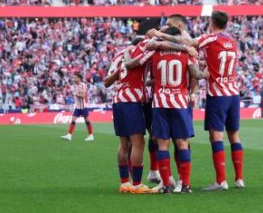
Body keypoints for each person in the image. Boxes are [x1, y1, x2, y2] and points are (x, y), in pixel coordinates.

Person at [148, 10, 246, 191]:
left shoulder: (211, 38)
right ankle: (239, 179)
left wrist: (160, 34)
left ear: (212, 23)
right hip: (233, 92)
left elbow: (190, 43)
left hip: (218, 94)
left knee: (215, 136)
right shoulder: (232, 42)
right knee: (234, 136)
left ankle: (220, 181)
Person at [126, 27, 205, 194]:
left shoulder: (154, 52)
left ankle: (167, 184)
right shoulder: (188, 53)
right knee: (182, 142)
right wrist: (206, 73)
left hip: (160, 102)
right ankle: (184, 184)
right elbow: (196, 74)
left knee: (162, 144)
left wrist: (128, 53)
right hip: (180, 102)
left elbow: (133, 65)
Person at [104, 38, 155, 194]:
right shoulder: (142, 54)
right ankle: (137, 184)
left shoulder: (118, 55)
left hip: (118, 100)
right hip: (132, 101)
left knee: (124, 144)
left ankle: (125, 183)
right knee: (138, 142)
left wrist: (121, 76)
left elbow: (106, 82)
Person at [60, 73, 94, 142]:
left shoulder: (83, 85)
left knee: (87, 121)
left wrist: (75, 94)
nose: (74, 79)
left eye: (75, 78)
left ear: (79, 78)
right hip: (77, 107)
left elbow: (83, 96)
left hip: (83, 107)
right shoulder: (76, 86)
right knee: (73, 120)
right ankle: (69, 135)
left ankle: (91, 135)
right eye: (74, 78)